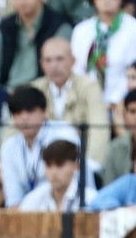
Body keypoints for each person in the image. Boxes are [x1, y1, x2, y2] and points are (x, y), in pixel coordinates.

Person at [31, 36, 110, 168]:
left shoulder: (89, 86)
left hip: (80, 161)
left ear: (73, 61)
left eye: (59, 59)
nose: (54, 65)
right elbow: (13, 130)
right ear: (42, 64)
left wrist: (89, 166)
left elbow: (99, 128)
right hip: (41, 163)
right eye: (48, 60)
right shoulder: (35, 89)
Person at [0, 85, 80, 206]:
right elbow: (13, 197)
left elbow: (72, 181)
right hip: (27, 211)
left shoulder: (63, 132)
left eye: (30, 111)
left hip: (70, 204)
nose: (24, 118)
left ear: (44, 112)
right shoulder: (8, 147)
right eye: (18, 113)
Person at [72, 0, 136, 110]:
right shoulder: (81, 30)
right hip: (84, 103)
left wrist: (114, 102)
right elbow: (76, 69)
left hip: (122, 104)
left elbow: (134, 73)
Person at [17, 139, 96, 211]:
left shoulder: (90, 200)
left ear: (76, 166)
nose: (53, 172)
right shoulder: (33, 200)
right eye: (48, 165)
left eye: (60, 165)